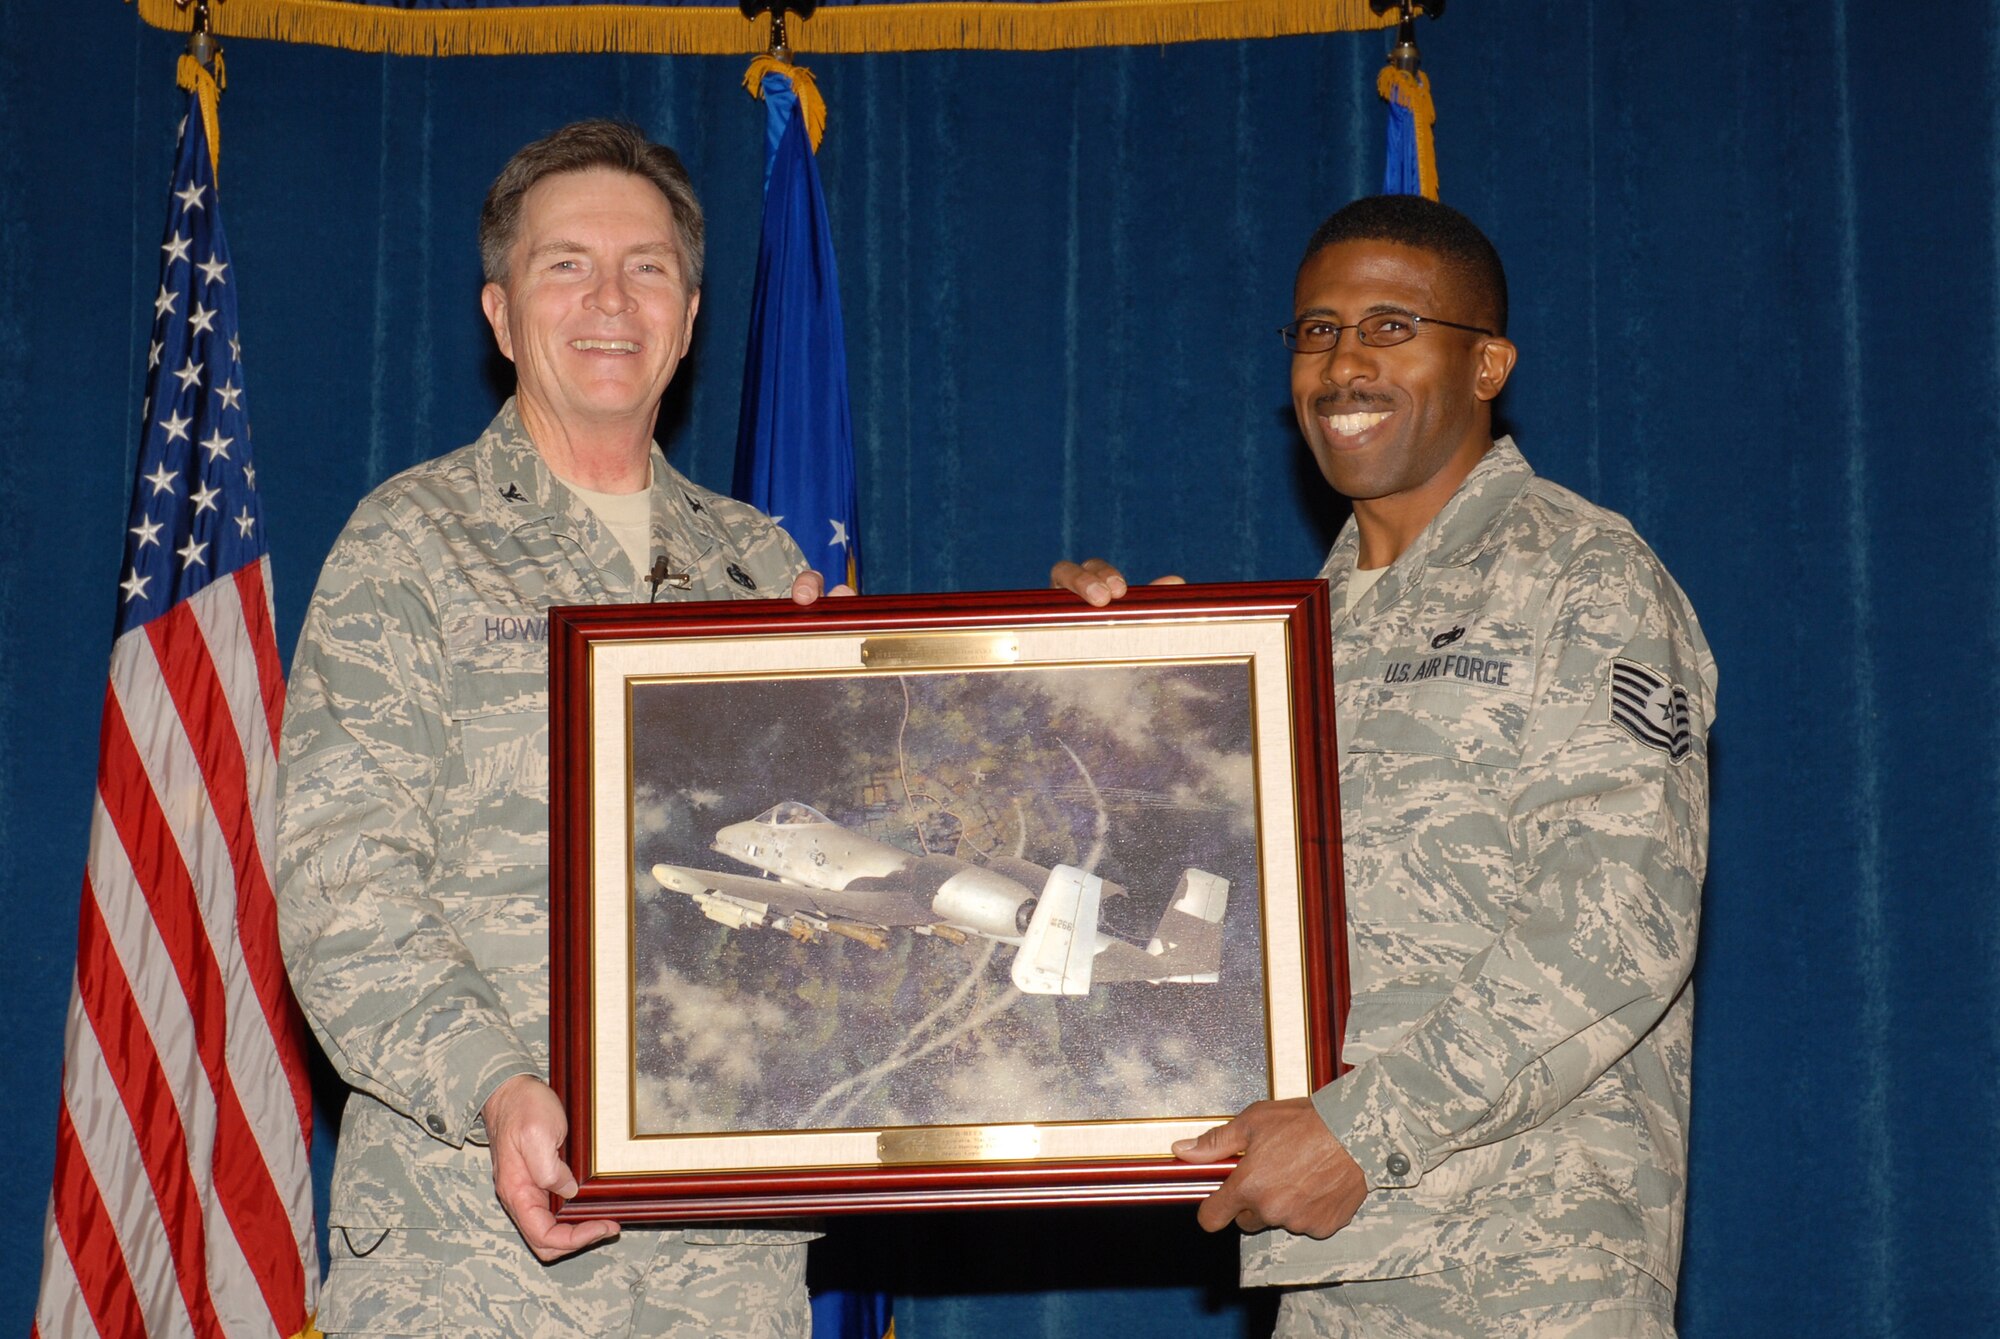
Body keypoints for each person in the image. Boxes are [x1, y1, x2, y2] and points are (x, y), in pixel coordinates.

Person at [1055, 195, 1715, 1337]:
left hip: (1525, 1269)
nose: (1343, 362)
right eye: (1315, 331)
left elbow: (1620, 918)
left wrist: (1363, 1130)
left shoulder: (1578, 573)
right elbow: (1204, 926)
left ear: (1487, 363)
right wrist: (1106, 684)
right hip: (1330, 1269)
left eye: (1388, 326)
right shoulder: (1292, 636)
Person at [277, 120, 835, 1337]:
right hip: (466, 1248)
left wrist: (1006, 668)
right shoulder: (410, 543)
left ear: (688, 319)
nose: (609, 300)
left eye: (646, 268)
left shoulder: (762, 567)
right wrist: (490, 1084)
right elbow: (341, 885)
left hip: (723, 1252)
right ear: (497, 309)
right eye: (564, 264)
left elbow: (827, 895)